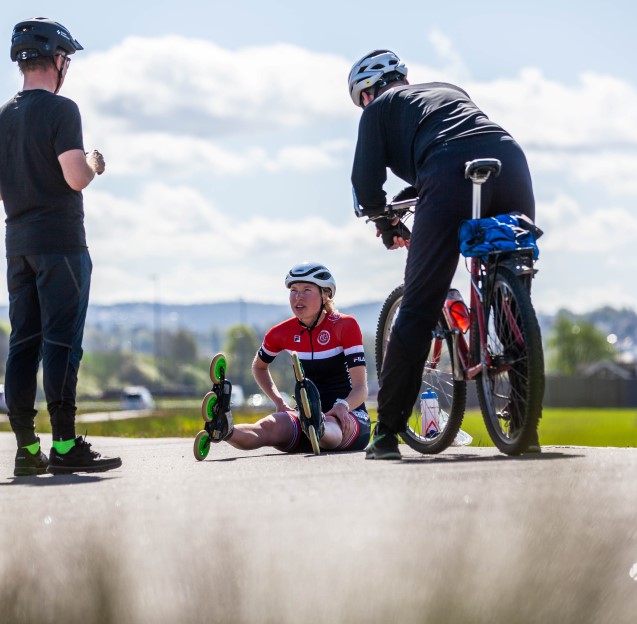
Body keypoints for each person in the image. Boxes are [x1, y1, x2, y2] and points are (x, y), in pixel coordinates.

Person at [347, 49, 538, 460]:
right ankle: (524, 422)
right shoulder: (447, 91)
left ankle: (386, 435)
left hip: (447, 168)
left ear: (365, 93)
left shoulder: (377, 110)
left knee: (418, 305)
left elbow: (366, 185)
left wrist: (386, 225)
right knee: (512, 287)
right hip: (509, 159)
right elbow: (443, 147)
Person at [0, 18, 121, 476]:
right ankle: (63, 446)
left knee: (22, 344)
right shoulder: (63, 111)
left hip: (17, 245)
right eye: (68, 60)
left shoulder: (0, 117)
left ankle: (26, 448)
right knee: (61, 344)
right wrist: (94, 163)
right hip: (61, 244)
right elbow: (75, 176)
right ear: (58, 61)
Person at [211, 262, 371, 455]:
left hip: (349, 415)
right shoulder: (281, 333)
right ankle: (224, 429)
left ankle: (318, 427)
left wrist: (343, 406)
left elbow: (361, 389)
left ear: (325, 294)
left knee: (332, 424)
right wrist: (278, 401)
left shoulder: (345, 325)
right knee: (271, 426)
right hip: (305, 416)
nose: (298, 296)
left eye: (307, 290)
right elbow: (259, 367)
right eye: (293, 290)